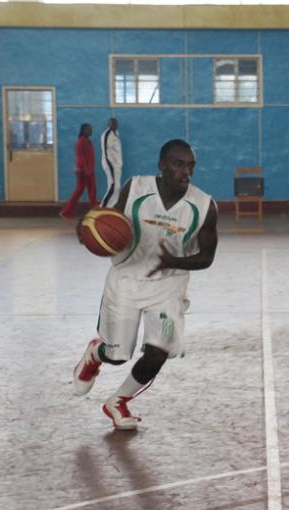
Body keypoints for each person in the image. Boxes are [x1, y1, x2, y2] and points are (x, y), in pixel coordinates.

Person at [72, 139, 217, 430]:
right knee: (117, 355)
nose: (185, 171)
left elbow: (206, 257)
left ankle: (118, 400)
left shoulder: (203, 206)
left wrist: (174, 262)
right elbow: (104, 218)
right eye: (178, 164)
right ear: (162, 165)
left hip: (168, 287)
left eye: (190, 165)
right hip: (126, 281)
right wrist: (87, 228)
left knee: (158, 351)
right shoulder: (135, 188)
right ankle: (96, 354)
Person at [60, 123, 97, 220]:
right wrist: (86, 170)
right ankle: (66, 211)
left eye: (91, 129)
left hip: (89, 170)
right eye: (89, 129)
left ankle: (95, 211)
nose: (91, 131)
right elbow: (81, 158)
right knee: (79, 191)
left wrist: (90, 169)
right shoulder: (80, 142)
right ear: (84, 130)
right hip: (83, 171)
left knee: (92, 191)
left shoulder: (88, 141)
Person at [100, 117, 123, 208]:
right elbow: (106, 152)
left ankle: (112, 206)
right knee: (113, 185)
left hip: (117, 165)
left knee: (117, 187)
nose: (115, 125)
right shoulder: (107, 135)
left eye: (116, 123)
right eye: (112, 123)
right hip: (110, 164)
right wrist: (110, 165)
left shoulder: (116, 134)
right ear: (108, 124)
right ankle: (103, 206)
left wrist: (118, 164)